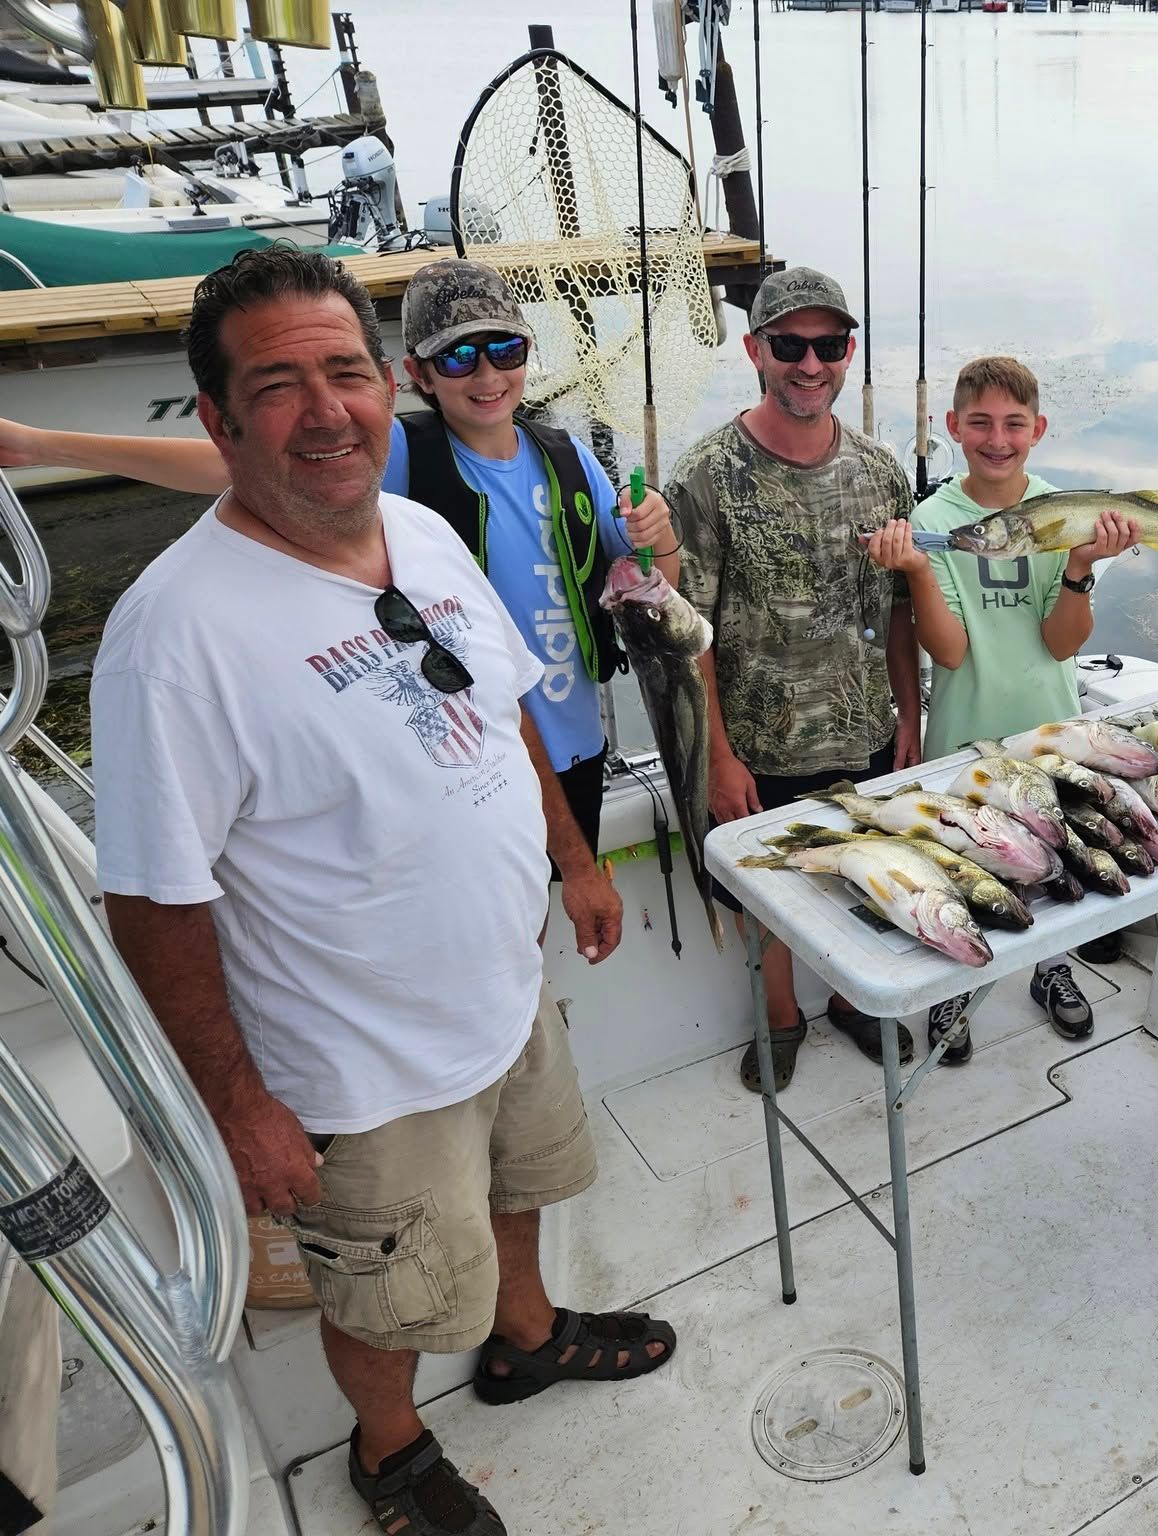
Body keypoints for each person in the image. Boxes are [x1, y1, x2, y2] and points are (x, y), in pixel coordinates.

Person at [91, 247, 670, 1536]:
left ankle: (527, 1337)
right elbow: (154, 903)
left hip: (504, 985)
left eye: (345, 373)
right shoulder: (173, 637)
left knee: (521, 1186)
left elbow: (502, 704)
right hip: (362, 1065)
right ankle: (391, 1451)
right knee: (386, 1296)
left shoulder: (420, 531)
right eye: (277, 385)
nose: (325, 412)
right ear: (219, 420)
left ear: (381, 384)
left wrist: (576, 863)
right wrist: (238, 1106)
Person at [0, 256, 677, 872]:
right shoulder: (399, 451)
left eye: (505, 349)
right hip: (475, 754)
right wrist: (43, 446)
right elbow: (229, 464)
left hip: (578, 742)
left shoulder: (570, 458)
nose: (487, 374)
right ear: (415, 375)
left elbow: (659, 596)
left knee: (546, 900)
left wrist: (661, 534)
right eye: (458, 357)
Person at [667, 267, 923, 1093]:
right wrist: (717, 756)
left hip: (865, 733)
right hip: (756, 746)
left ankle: (850, 1000)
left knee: (866, 877)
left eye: (829, 345)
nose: (810, 365)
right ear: (755, 351)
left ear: (849, 353)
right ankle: (780, 1015)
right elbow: (687, 634)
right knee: (766, 899)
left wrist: (909, 717)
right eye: (789, 345)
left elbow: (900, 610)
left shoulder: (882, 471)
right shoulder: (704, 476)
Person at [864, 355, 1139, 1060]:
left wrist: (1079, 567)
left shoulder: (1063, 511)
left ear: (1038, 430)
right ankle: (954, 986)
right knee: (963, 864)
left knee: (1055, 857)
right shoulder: (934, 521)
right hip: (962, 739)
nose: (997, 439)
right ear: (952, 427)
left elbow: (1061, 642)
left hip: (1051, 733)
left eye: (1014, 424)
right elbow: (950, 652)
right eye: (980, 423)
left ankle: (1053, 969)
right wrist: (919, 571)